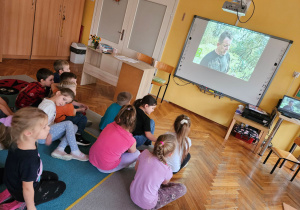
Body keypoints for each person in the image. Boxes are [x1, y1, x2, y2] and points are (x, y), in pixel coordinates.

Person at [2, 107, 66, 209]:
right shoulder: (30, 160)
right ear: (28, 133)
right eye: (45, 127)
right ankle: (21, 202)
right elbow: (27, 188)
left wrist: (46, 134)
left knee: (53, 177)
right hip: (21, 192)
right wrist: (31, 206)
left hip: (12, 180)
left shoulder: (18, 139)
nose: (49, 128)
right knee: (61, 186)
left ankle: (10, 192)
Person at [130, 134, 187, 209]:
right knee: (182, 188)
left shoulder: (144, 152)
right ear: (170, 154)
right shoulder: (167, 170)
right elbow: (164, 183)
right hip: (148, 203)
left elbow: (136, 168)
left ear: (155, 144)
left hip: (133, 193)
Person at [38, 88, 88, 161]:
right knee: (68, 123)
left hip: (46, 133)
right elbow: (39, 123)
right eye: (64, 99)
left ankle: (60, 149)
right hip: (41, 137)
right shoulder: (48, 105)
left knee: (74, 127)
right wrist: (48, 135)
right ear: (58, 93)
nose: (63, 103)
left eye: (66, 102)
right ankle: (75, 151)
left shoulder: (50, 103)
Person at [89, 105, 140, 173]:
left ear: (119, 118)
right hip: (104, 168)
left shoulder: (111, 124)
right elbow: (132, 152)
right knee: (137, 153)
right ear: (133, 123)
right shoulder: (131, 140)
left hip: (91, 157)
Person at [54, 81, 90, 146]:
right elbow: (72, 113)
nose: (75, 92)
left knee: (77, 112)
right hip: (60, 121)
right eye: (74, 90)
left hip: (56, 119)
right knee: (82, 117)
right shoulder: (67, 105)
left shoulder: (57, 94)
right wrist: (80, 110)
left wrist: (79, 105)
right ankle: (77, 135)